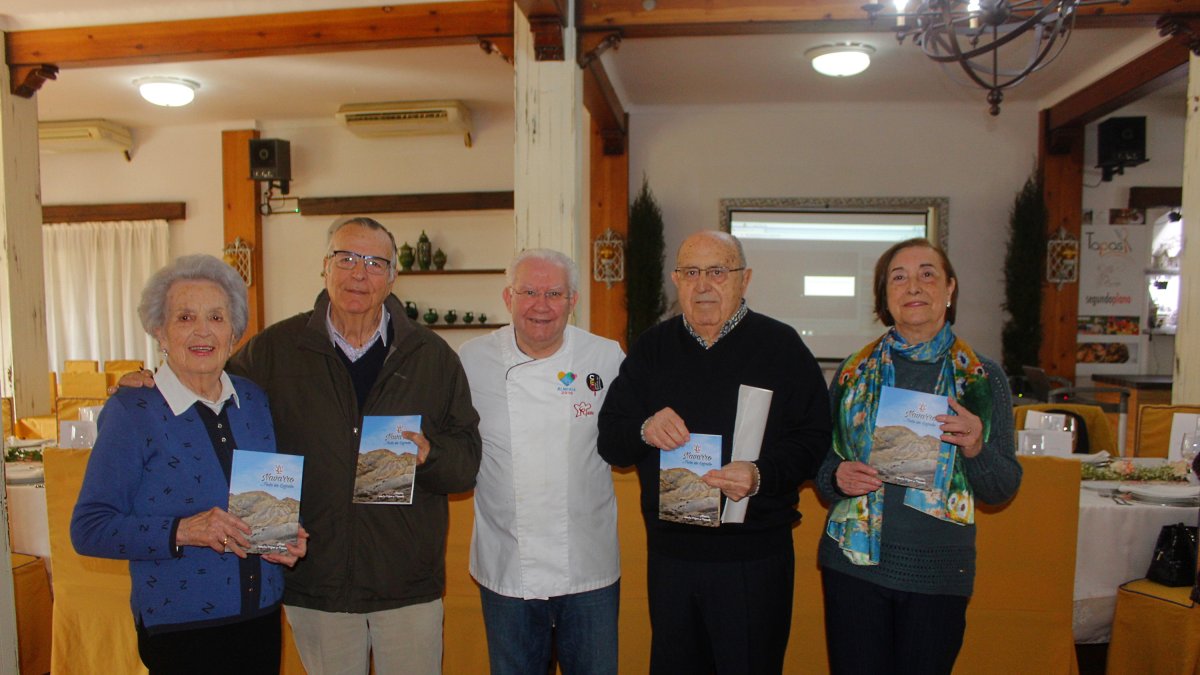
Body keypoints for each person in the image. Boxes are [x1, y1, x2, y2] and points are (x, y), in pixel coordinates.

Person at [118, 218, 482, 674]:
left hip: (405, 585)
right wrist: (154, 376)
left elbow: (467, 463)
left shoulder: (433, 357)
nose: (358, 273)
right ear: (324, 267)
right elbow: (206, 385)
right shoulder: (274, 350)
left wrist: (432, 456)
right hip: (316, 581)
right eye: (345, 258)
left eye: (374, 263)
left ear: (392, 277)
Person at [597, 230, 831, 674]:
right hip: (672, 558)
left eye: (718, 271)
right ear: (676, 280)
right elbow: (612, 439)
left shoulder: (781, 347)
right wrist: (645, 428)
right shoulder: (652, 347)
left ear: (744, 279)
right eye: (691, 272)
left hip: (754, 558)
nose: (703, 284)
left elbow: (813, 438)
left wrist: (761, 475)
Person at [71, 254, 308, 674]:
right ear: (159, 332)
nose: (203, 330)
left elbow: (265, 493)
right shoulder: (133, 410)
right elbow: (89, 528)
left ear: (234, 332)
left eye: (216, 317)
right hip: (180, 629)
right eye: (185, 317)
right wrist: (185, 530)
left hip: (261, 617)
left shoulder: (253, 400)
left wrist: (284, 535)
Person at [815, 237, 1021, 675]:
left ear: (950, 289)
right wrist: (837, 478)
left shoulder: (981, 379)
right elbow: (820, 466)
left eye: (927, 274)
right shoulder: (852, 374)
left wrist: (976, 448)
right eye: (899, 277)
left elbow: (1002, 488)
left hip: (937, 571)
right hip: (853, 566)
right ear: (884, 298)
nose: (914, 286)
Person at [458, 249, 624, 675]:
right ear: (507, 297)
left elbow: (632, 431)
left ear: (573, 300)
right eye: (528, 291)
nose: (541, 305)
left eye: (554, 292)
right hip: (508, 564)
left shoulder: (607, 358)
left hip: (588, 566)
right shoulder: (471, 360)